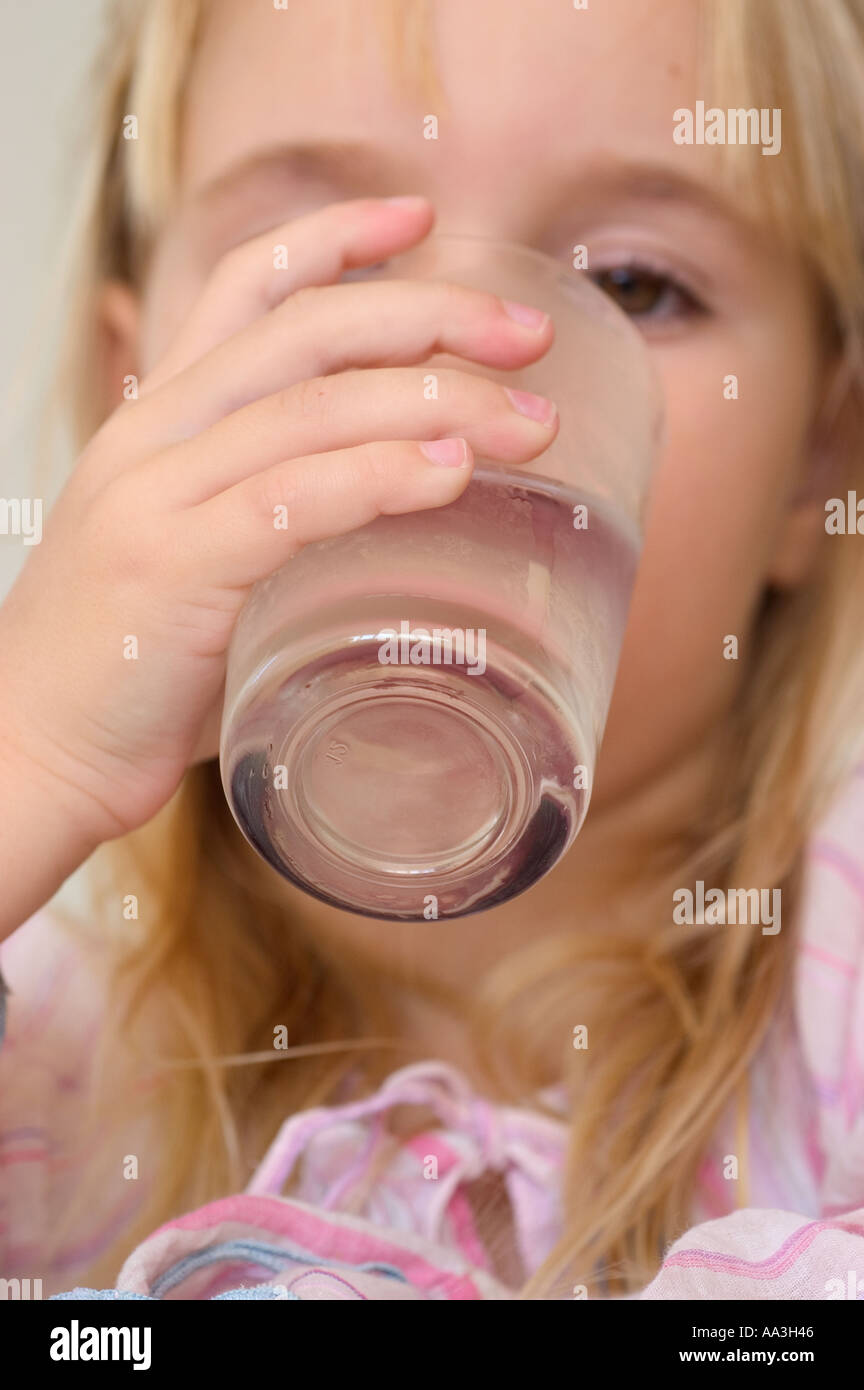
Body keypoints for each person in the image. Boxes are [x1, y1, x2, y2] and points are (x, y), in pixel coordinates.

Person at [1, 0, 863, 1300]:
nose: (441, 364)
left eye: (629, 285)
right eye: (327, 271)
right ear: (141, 399)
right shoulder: (55, 1081)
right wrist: (28, 749)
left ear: (821, 458)